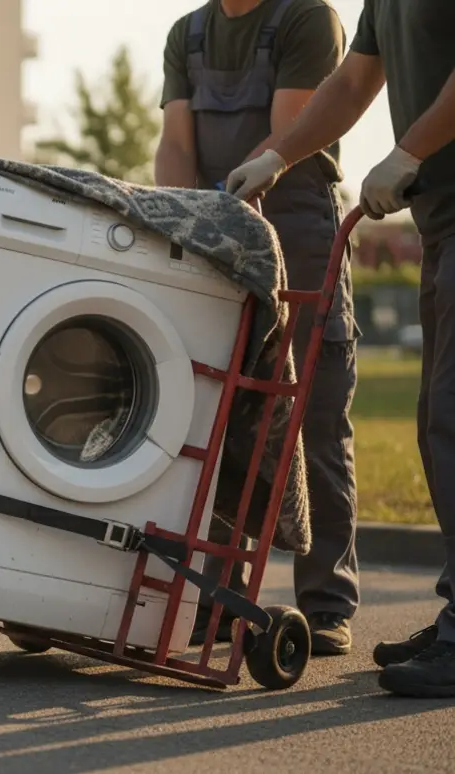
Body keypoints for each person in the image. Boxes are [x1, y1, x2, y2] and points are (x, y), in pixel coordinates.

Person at [227, 0, 455, 698]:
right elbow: (354, 84)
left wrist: (409, 149)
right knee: (435, 423)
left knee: (453, 418)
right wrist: (277, 155)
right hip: (442, 226)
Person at [154, 0, 359, 656]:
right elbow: (176, 145)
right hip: (215, 228)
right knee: (216, 413)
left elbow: (288, 135)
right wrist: (184, 222)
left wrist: (230, 202)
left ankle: (326, 602)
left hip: (295, 225)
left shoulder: (306, 18)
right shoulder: (187, 34)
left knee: (312, 418)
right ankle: (219, 599)